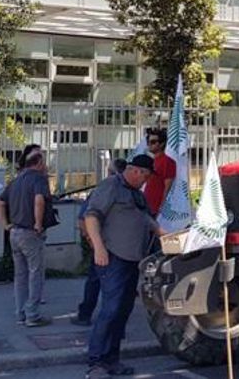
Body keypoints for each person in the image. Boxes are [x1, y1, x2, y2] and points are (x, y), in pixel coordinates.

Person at [83, 155, 163, 378]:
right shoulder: (111, 186)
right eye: (145, 176)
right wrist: (98, 248)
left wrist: (163, 234)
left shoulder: (135, 193)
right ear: (135, 171)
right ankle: (96, 362)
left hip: (131, 260)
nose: (146, 181)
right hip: (112, 258)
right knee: (110, 310)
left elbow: (145, 218)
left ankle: (112, 359)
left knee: (122, 311)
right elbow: (91, 216)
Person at [0, 151, 55, 327]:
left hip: (14, 232)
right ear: (38, 163)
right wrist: (38, 223)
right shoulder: (38, 179)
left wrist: (6, 225)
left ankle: (20, 313)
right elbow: (39, 200)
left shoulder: (16, 180)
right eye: (44, 162)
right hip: (30, 232)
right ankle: (32, 315)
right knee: (36, 273)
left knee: (20, 275)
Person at [72, 158, 127, 327]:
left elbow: (83, 217)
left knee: (96, 281)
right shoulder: (128, 192)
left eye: (110, 172)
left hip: (104, 244)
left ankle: (87, 315)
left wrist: (90, 240)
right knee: (115, 283)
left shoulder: (102, 190)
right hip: (117, 245)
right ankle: (112, 317)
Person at [143, 128, 176, 216]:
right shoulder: (152, 161)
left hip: (156, 210)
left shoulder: (167, 161)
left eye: (153, 142)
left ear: (162, 144)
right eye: (148, 141)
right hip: (147, 207)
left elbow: (168, 187)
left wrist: (161, 208)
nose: (149, 144)